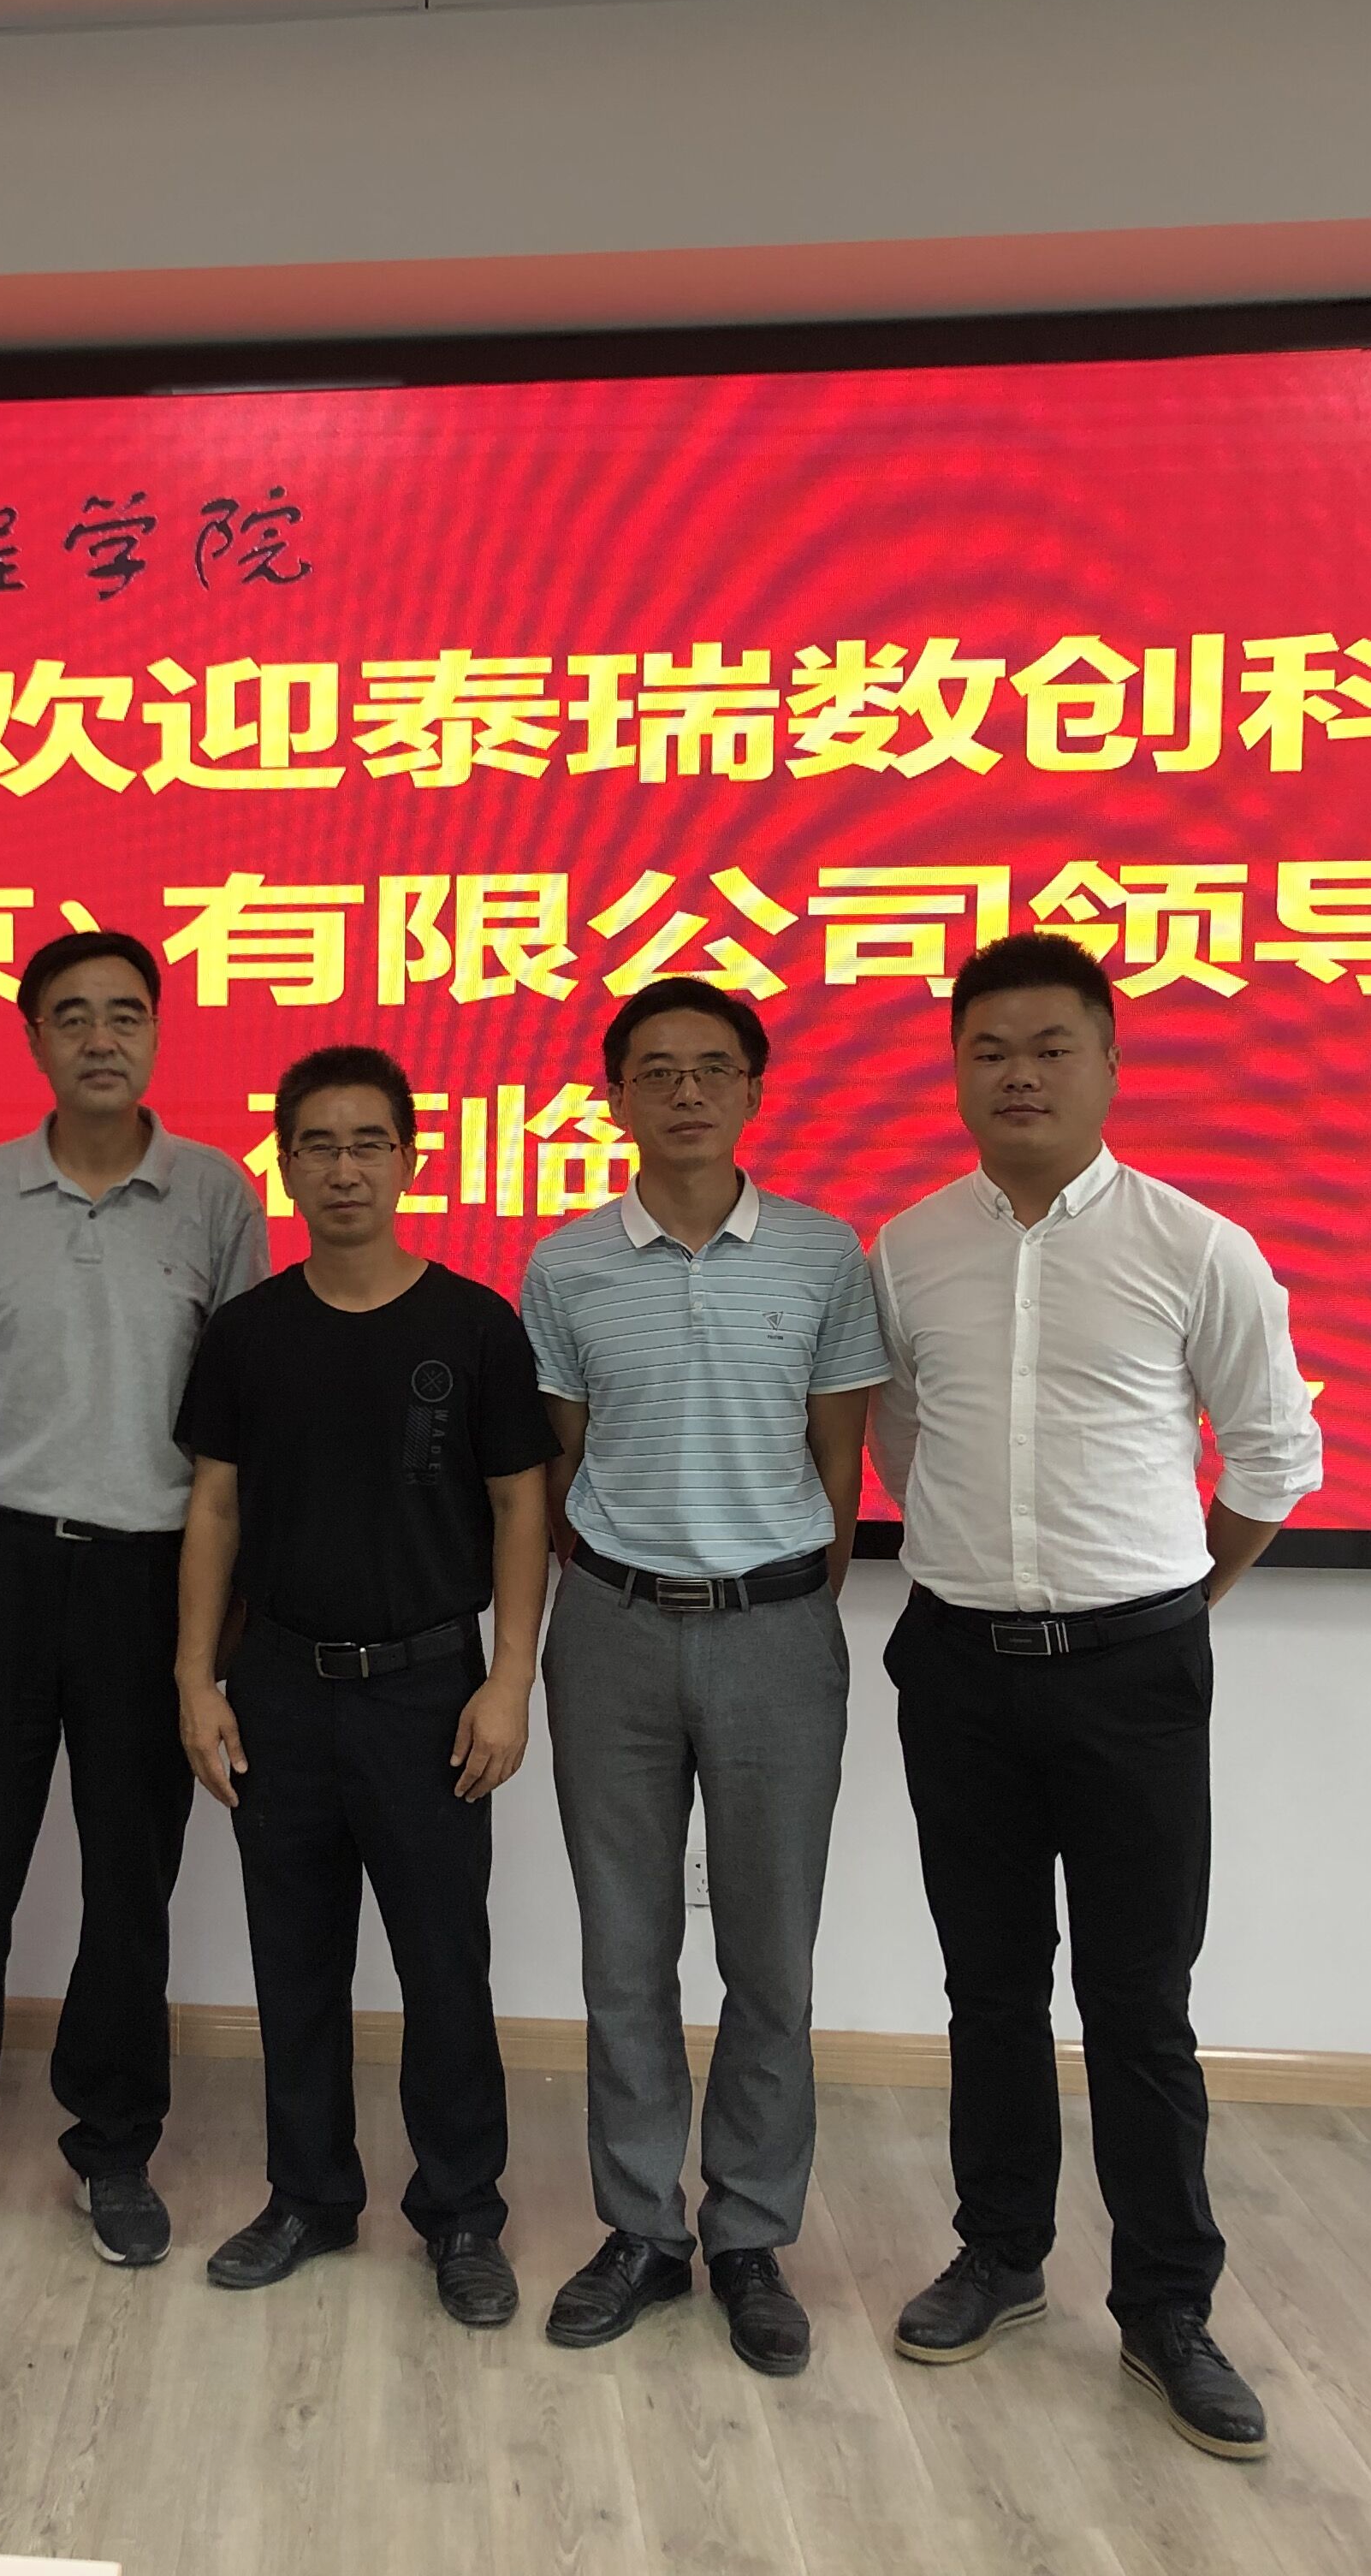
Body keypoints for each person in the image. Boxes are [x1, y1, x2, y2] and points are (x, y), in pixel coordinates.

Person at [869, 931, 1322, 2461]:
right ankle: (999, 2254)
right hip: (959, 1664)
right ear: (955, 1069)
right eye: (989, 1048)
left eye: (1051, 1045)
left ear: (1111, 1064)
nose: (1019, 1073)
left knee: (1138, 1999)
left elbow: (1273, 1452)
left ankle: (1167, 2306)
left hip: (1133, 1669)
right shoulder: (906, 1248)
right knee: (987, 1985)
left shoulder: (1197, 1245)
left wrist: (1180, 1599)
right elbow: (904, 1441)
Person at [0, 930, 268, 2269]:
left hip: (153, 1576)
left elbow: (242, 1427)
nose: (102, 1038)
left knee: (131, 1883)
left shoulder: (215, 1195)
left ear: (159, 1032)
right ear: (33, 1038)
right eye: (73, 1016)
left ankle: (115, 2148)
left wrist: (220, 1628)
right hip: (1, 1563)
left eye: (126, 1014)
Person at [519, 982, 887, 2374]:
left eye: (712, 1069)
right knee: (622, 1953)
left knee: (768, 1955)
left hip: (774, 1631)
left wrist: (771, 1595)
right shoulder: (565, 1266)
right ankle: (639, 2230)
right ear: (614, 1094)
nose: (685, 1092)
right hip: (609, 1628)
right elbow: (557, 1466)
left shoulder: (822, 1254)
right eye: (657, 1070)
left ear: (752, 1091)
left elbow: (839, 1464)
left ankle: (748, 2234)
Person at [175, 1046, 557, 2328]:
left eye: (368, 1143)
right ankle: (309, 2197)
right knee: (294, 1961)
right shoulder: (248, 1333)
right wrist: (195, 1678)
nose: (344, 1168)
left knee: (447, 1965)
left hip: (427, 1690)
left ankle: (463, 2213)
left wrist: (509, 1679)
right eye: (319, 1146)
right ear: (286, 1165)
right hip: (278, 1686)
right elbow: (214, 1506)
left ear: (409, 1159)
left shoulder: (474, 1325)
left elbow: (521, 1506)